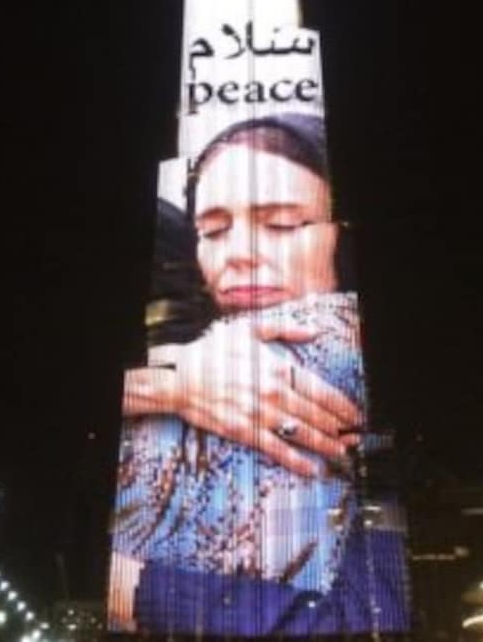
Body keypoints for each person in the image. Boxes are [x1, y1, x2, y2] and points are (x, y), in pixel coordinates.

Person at [109, 114, 408, 636]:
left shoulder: (337, 359)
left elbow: (359, 619)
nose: (238, 255)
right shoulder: (188, 352)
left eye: (282, 225)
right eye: (213, 230)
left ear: (342, 235)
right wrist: (164, 383)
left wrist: (127, 584)